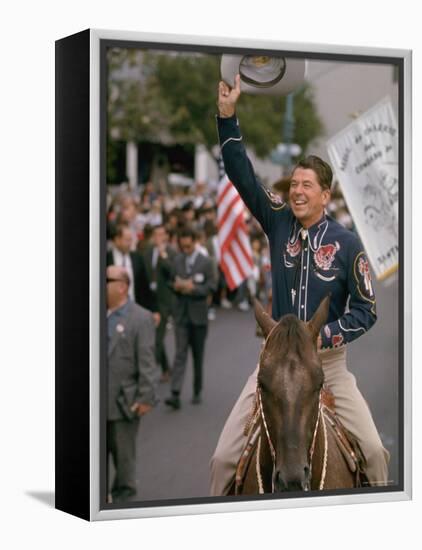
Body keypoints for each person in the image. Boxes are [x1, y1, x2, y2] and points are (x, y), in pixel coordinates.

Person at [210, 75, 389, 495]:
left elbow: (368, 309)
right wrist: (227, 114)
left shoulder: (348, 245)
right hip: (273, 365)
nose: (297, 190)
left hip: (328, 367)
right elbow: (242, 174)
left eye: (307, 185)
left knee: (377, 452)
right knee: (221, 461)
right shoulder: (277, 221)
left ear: (326, 194)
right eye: (293, 184)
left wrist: (324, 336)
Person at [106, 265, 158, 502]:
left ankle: (120, 507)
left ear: (122, 286)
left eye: (107, 279)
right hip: (96, 402)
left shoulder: (140, 318)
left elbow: (147, 362)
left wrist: (145, 398)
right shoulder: (95, 312)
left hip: (122, 404)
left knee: (123, 464)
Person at [164, 226, 216, 409]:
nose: (185, 250)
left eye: (188, 246)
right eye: (182, 247)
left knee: (197, 355)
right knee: (179, 354)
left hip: (199, 316)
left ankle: (197, 389)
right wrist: (176, 286)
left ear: (194, 242)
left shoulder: (206, 262)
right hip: (181, 315)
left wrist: (194, 289)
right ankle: (175, 393)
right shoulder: (177, 260)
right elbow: (170, 281)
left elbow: (212, 287)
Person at [142, 224, 177, 382]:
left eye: (161, 234)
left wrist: (163, 255)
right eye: (156, 234)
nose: (158, 237)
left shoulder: (170, 252)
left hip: (164, 302)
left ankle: (147, 373)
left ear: (166, 236)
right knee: (152, 336)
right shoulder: (148, 252)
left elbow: (173, 273)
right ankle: (166, 368)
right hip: (149, 300)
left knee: (157, 338)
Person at [107, 223, 159, 320]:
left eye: (131, 240)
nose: (130, 244)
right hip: (111, 312)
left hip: (134, 311)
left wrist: (154, 309)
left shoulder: (137, 258)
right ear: (116, 240)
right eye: (127, 240)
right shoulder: (106, 259)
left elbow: (145, 287)